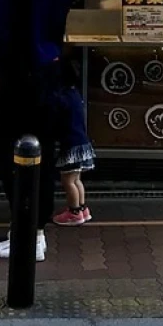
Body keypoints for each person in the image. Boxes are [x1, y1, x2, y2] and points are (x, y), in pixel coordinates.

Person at [0, 0, 73, 262]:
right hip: (50, 73)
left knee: (13, 155)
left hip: (16, 79)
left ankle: (23, 234)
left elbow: (2, 31)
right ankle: (37, 232)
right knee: (44, 154)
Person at [52, 78, 95, 226]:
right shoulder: (75, 94)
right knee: (76, 179)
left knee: (68, 180)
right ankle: (83, 209)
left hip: (71, 145)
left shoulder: (62, 97)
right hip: (82, 142)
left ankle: (74, 212)